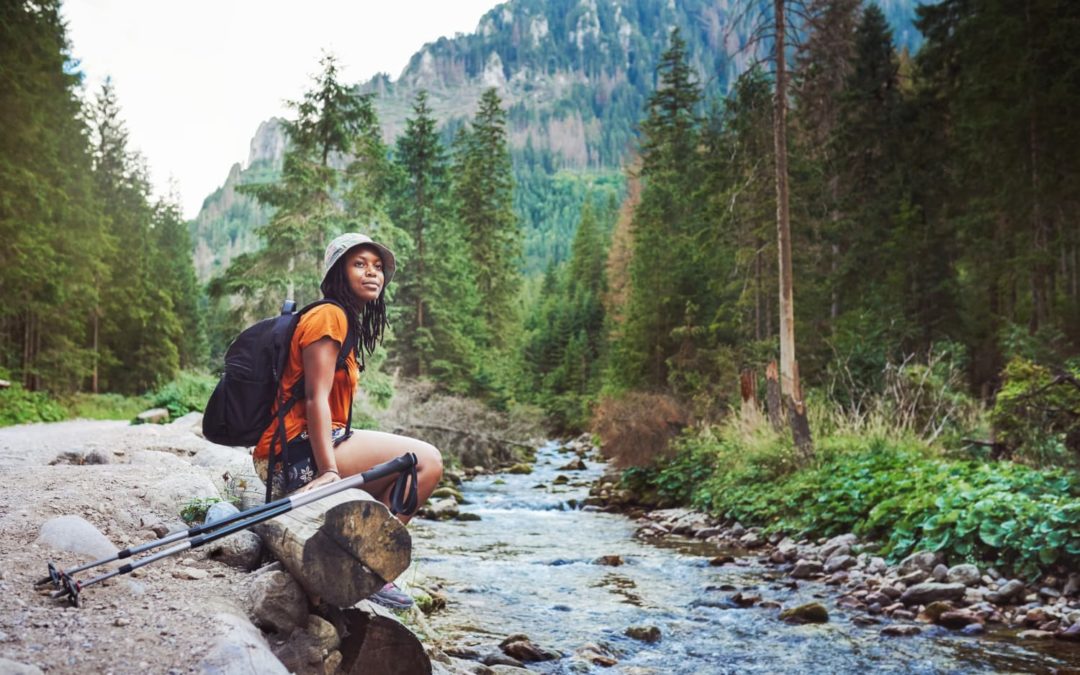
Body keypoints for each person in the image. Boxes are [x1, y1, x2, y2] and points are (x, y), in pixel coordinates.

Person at [252, 232, 443, 609]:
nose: (372, 273)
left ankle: (354, 561)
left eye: (378, 267)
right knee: (427, 462)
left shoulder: (342, 319)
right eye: (359, 264)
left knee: (409, 465)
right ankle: (373, 564)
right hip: (295, 456)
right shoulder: (329, 315)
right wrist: (329, 471)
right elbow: (315, 397)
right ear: (337, 273)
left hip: (303, 448)